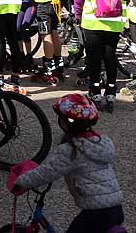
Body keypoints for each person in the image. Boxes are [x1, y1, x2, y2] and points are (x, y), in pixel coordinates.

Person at [12, 94, 124, 233]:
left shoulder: (71, 150)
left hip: (96, 213)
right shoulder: (101, 142)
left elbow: (45, 173)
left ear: (65, 123)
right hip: (116, 208)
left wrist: (21, 182)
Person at [72, 0, 127, 111]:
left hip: (93, 23)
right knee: (110, 58)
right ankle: (110, 92)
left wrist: (77, 15)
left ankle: (95, 91)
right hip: (114, 24)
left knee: (94, 59)